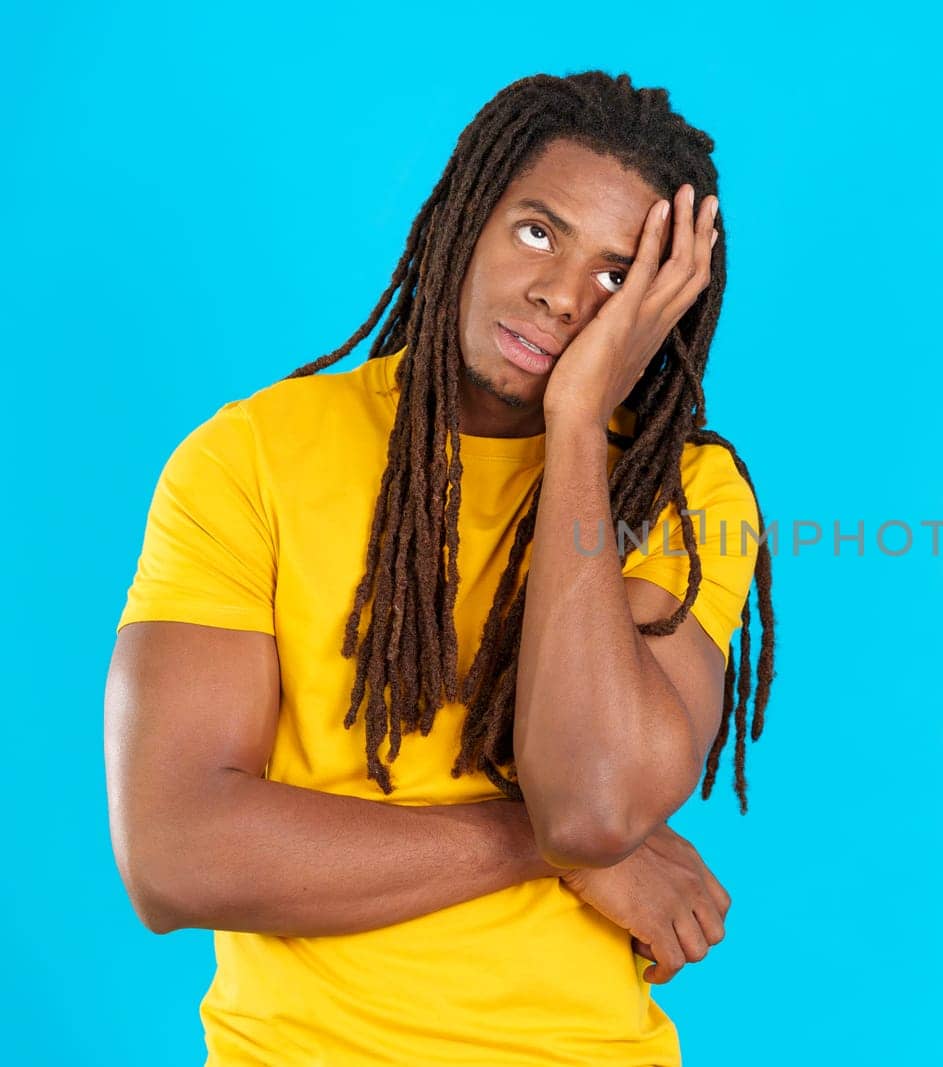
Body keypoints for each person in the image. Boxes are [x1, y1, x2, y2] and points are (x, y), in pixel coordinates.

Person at [104, 70, 778, 1065]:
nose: (558, 295)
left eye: (615, 275)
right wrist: (550, 850)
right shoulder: (252, 455)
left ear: (657, 307)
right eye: (539, 232)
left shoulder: (683, 497)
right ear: (466, 213)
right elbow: (176, 852)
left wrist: (580, 427)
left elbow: (595, 805)